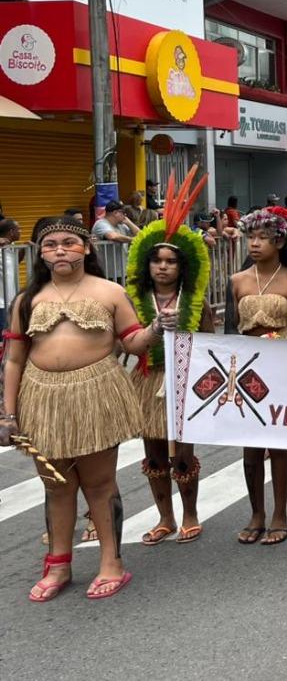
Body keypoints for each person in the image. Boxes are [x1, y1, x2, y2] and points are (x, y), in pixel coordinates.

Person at [3, 217, 168, 601]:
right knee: (56, 486)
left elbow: (132, 343)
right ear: (40, 253)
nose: (60, 250)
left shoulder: (109, 292)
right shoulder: (27, 301)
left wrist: (157, 328)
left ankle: (112, 562)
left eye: (68, 242)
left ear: (87, 248)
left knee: (98, 484)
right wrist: (8, 414)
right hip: (42, 398)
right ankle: (58, 563)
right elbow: (13, 360)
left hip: (96, 393)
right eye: (50, 244)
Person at [125, 194, 216, 545]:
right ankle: (164, 517)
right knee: (154, 454)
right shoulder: (131, 301)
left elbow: (210, 343)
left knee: (184, 454)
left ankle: (190, 514)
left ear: (182, 267)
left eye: (170, 261)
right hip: (148, 381)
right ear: (147, 265)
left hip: (186, 381)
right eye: (157, 261)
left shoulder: (197, 301)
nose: (163, 267)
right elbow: (123, 343)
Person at [228, 210, 287, 545]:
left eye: (262, 238)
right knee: (251, 449)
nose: (254, 244)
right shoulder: (237, 281)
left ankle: (279, 514)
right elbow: (228, 334)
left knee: (278, 446)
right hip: (246, 370)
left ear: (278, 241)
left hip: (282, 371)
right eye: (250, 237)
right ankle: (256, 514)